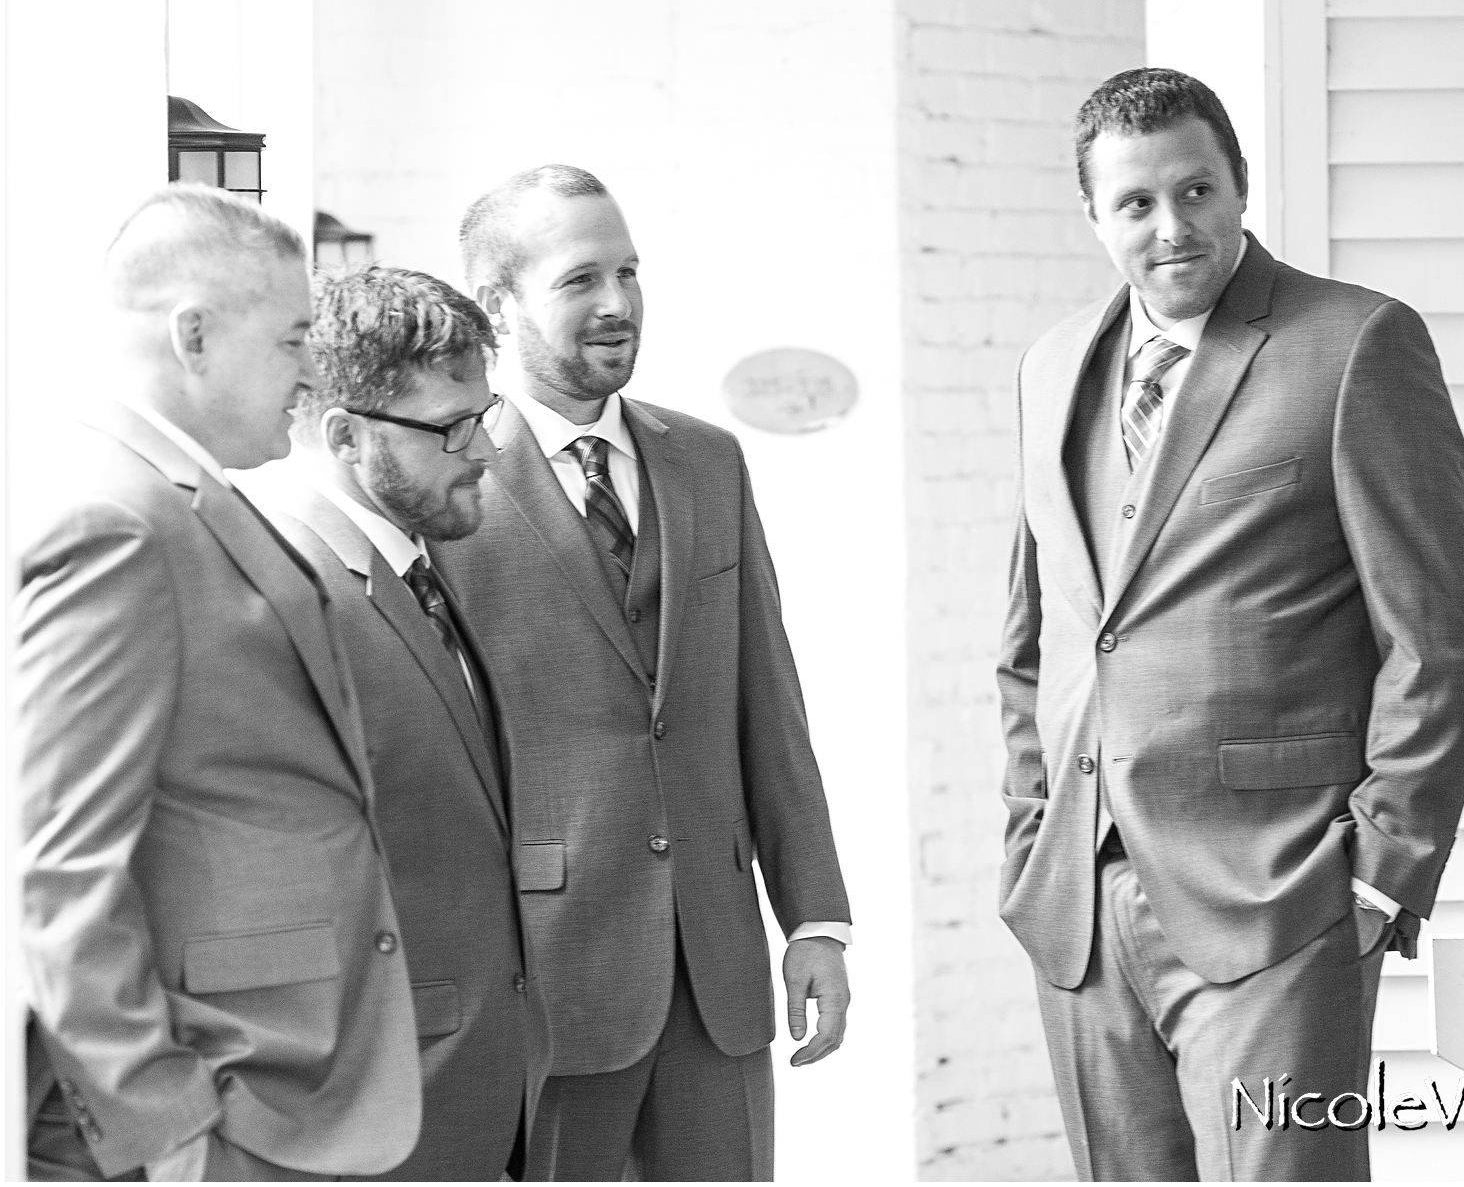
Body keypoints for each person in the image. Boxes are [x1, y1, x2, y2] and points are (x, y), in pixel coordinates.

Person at [997, 68, 1464, 1181]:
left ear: (1238, 186)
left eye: (1196, 190)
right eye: (1134, 204)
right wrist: (1031, 833)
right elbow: (1033, 639)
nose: (1170, 226)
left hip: (1280, 897)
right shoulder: (1047, 369)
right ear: (1092, 217)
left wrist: (1379, 873)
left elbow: (1437, 634)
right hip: (1082, 899)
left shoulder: (1355, 344)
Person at [430, 165, 851, 1180]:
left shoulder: (708, 460)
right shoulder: (449, 484)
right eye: (580, 279)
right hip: (545, 974)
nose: (618, 303)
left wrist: (817, 919)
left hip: (717, 972)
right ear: (498, 303)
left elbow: (767, 701)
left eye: (628, 271)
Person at [16, 187, 420, 1180]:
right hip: (221, 1104)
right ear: (193, 333)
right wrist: (166, 1126)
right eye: (291, 338)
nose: (310, 371)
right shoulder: (117, 521)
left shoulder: (178, 494)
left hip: (285, 1076)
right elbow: (60, 864)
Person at [235, 265, 551, 1180]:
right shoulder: (279, 599)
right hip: (374, 1113)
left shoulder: (422, 569)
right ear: (343, 435)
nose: (484, 452)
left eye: (484, 419)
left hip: (477, 1096)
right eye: (451, 428)